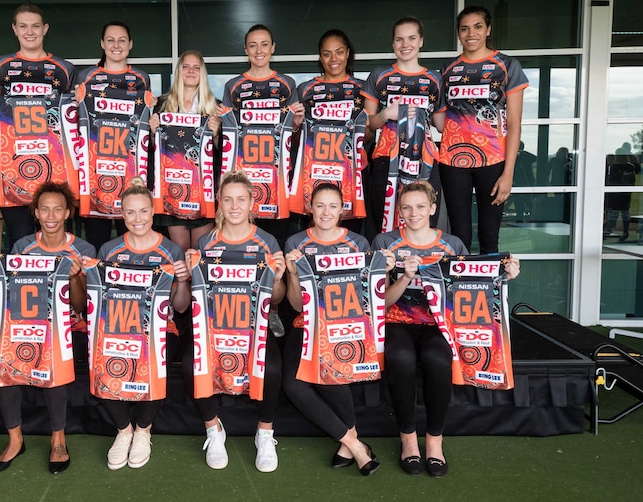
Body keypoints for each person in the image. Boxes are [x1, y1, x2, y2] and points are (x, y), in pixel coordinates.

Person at [372, 181, 520, 478]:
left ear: (433, 208)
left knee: (439, 360)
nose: (413, 213)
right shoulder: (384, 242)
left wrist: (505, 276)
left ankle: (435, 441)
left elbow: (472, 290)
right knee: (398, 358)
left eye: (420, 206)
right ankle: (408, 438)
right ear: (399, 210)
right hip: (397, 320)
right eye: (406, 207)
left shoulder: (452, 245)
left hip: (440, 323)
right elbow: (379, 302)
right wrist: (403, 278)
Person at [182, 170, 287, 472]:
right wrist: (190, 275)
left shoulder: (267, 242)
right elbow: (195, 297)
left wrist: (278, 277)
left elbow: (277, 298)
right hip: (215, 329)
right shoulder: (205, 243)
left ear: (253, 202)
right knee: (191, 363)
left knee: (273, 367)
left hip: (254, 329)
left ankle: (265, 433)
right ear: (219, 202)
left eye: (241, 199)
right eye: (228, 199)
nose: (235, 206)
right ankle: (213, 429)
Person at [0, 181, 94, 475]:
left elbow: (82, 307)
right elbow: (12, 296)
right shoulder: (23, 246)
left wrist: (74, 277)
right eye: (44, 209)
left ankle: (58, 439)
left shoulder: (82, 249)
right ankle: (15, 440)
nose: (51, 216)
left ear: (67, 213)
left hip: (69, 326)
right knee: (3, 354)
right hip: (29, 325)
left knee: (54, 353)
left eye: (57, 209)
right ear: (35, 212)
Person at [283, 183, 389, 475]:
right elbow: (294, 304)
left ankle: (349, 444)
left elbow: (368, 297)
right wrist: (292, 274)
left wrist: (385, 271)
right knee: (292, 383)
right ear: (310, 208)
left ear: (342, 209)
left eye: (332, 206)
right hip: (306, 324)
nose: (326, 212)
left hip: (346, 327)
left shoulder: (358, 243)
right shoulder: (295, 242)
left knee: (331, 367)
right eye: (320, 205)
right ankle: (355, 444)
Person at [92, 178, 191, 470]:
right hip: (117, 327)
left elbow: (181, 307)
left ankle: (144, 430)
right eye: (131, 212)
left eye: (144, 212)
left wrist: (183, 280)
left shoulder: (171, 251)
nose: (138, 219)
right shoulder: (108, 251)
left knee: (154, 354)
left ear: (153, 212)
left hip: (160, 329)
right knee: (101, 354)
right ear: (122, 215)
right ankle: (124, 430)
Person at [0, 3, 77, 246]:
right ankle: (23, 284)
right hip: (13, 164)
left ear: (45, 29)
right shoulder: (0, 65)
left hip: (55, 167)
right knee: (20, 238)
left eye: (35, 26)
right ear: (14, 29)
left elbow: (74, 116)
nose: (30, 31)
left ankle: (59, 284)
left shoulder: (65, 69)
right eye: (23, 26)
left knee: (56, 237)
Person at [438, 6, 529, 254]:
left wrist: (508, 174)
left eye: (478, 26)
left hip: (493, 159)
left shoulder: (507, 65)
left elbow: (515, 124)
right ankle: (458, 291)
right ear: (458, 33)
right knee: (459, 236)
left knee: (489, 235)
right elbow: (440, 117)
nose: (471, 33)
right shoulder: (448, 68)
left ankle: (489, 293)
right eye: (464, 28)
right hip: (452, 159)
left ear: (488, 29)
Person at [220, 24, 305, 249]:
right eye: (253, 45)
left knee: (275, 245)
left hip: (277, 179)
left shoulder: (287, 84)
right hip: (245, 179)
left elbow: (293, 136)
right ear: (245, 49)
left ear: (273, 48)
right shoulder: (233, 86)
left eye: (264, 44)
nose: (259, 50)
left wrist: (296, 125)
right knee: (246, 242)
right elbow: (228, 134)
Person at [362, 17, 446, 240]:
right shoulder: (379, 75)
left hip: (425, 160)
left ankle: (419, 273)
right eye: (399, 39)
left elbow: (440, 125)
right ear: (392, 43)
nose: (405, 44)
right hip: (385, 158)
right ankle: (385, 273)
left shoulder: (435, 79)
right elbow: (367, 124)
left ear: (421, 41)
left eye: (411, 38)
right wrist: (385, 114)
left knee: (421, 221)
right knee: (383, 223)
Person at [76, 22, 152, 250]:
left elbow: (144, 122)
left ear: (130, 45)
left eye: (121, 40)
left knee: (130, 241)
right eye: (110, 40)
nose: (116, 45)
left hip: (129, 172)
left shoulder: (141, 78)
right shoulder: (86, 76)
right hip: (95, 171)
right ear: (102, 44)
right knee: (96, 242)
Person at [293, 29, 368, 233]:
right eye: (327, 53)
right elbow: (296, 138)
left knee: (350, 233)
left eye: (339, 52)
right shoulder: (305, 90)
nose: (333, 59)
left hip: (351, 172)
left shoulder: (362, 89)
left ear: (348, 53)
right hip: (313, 172)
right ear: (320, 57)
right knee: (313, 232)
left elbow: (369, 134)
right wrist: (296, 126)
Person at [149, 50, 221, 252]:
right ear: (179, 70)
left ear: (203, 73)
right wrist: (153, 133)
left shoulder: (215, 107)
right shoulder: (162, 105)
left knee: (201, 248)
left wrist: (216, 135)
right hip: (172, 186)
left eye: (196, 67)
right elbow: (152, 151)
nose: (191, 71)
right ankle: (180, 285)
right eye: (186, 66)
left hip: (203, 187)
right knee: (179, 248)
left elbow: (225, 155)